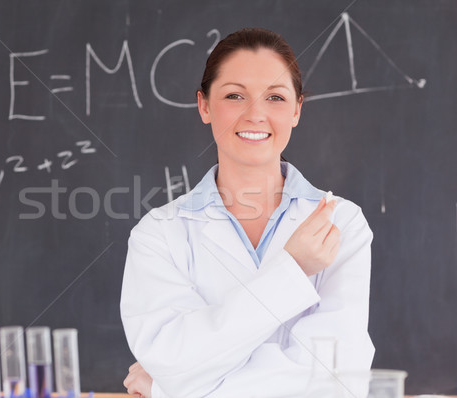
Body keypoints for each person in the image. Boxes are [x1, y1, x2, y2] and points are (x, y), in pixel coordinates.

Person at [120, 27, 375, 398]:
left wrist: (169, 389)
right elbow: (172, 361)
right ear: (204, 106)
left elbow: (335, 379)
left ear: (297, 109)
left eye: (274, 97)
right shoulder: (158, 234)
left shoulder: (341, 223)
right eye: (235, 95)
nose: (256, 115)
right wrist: (293, 269)